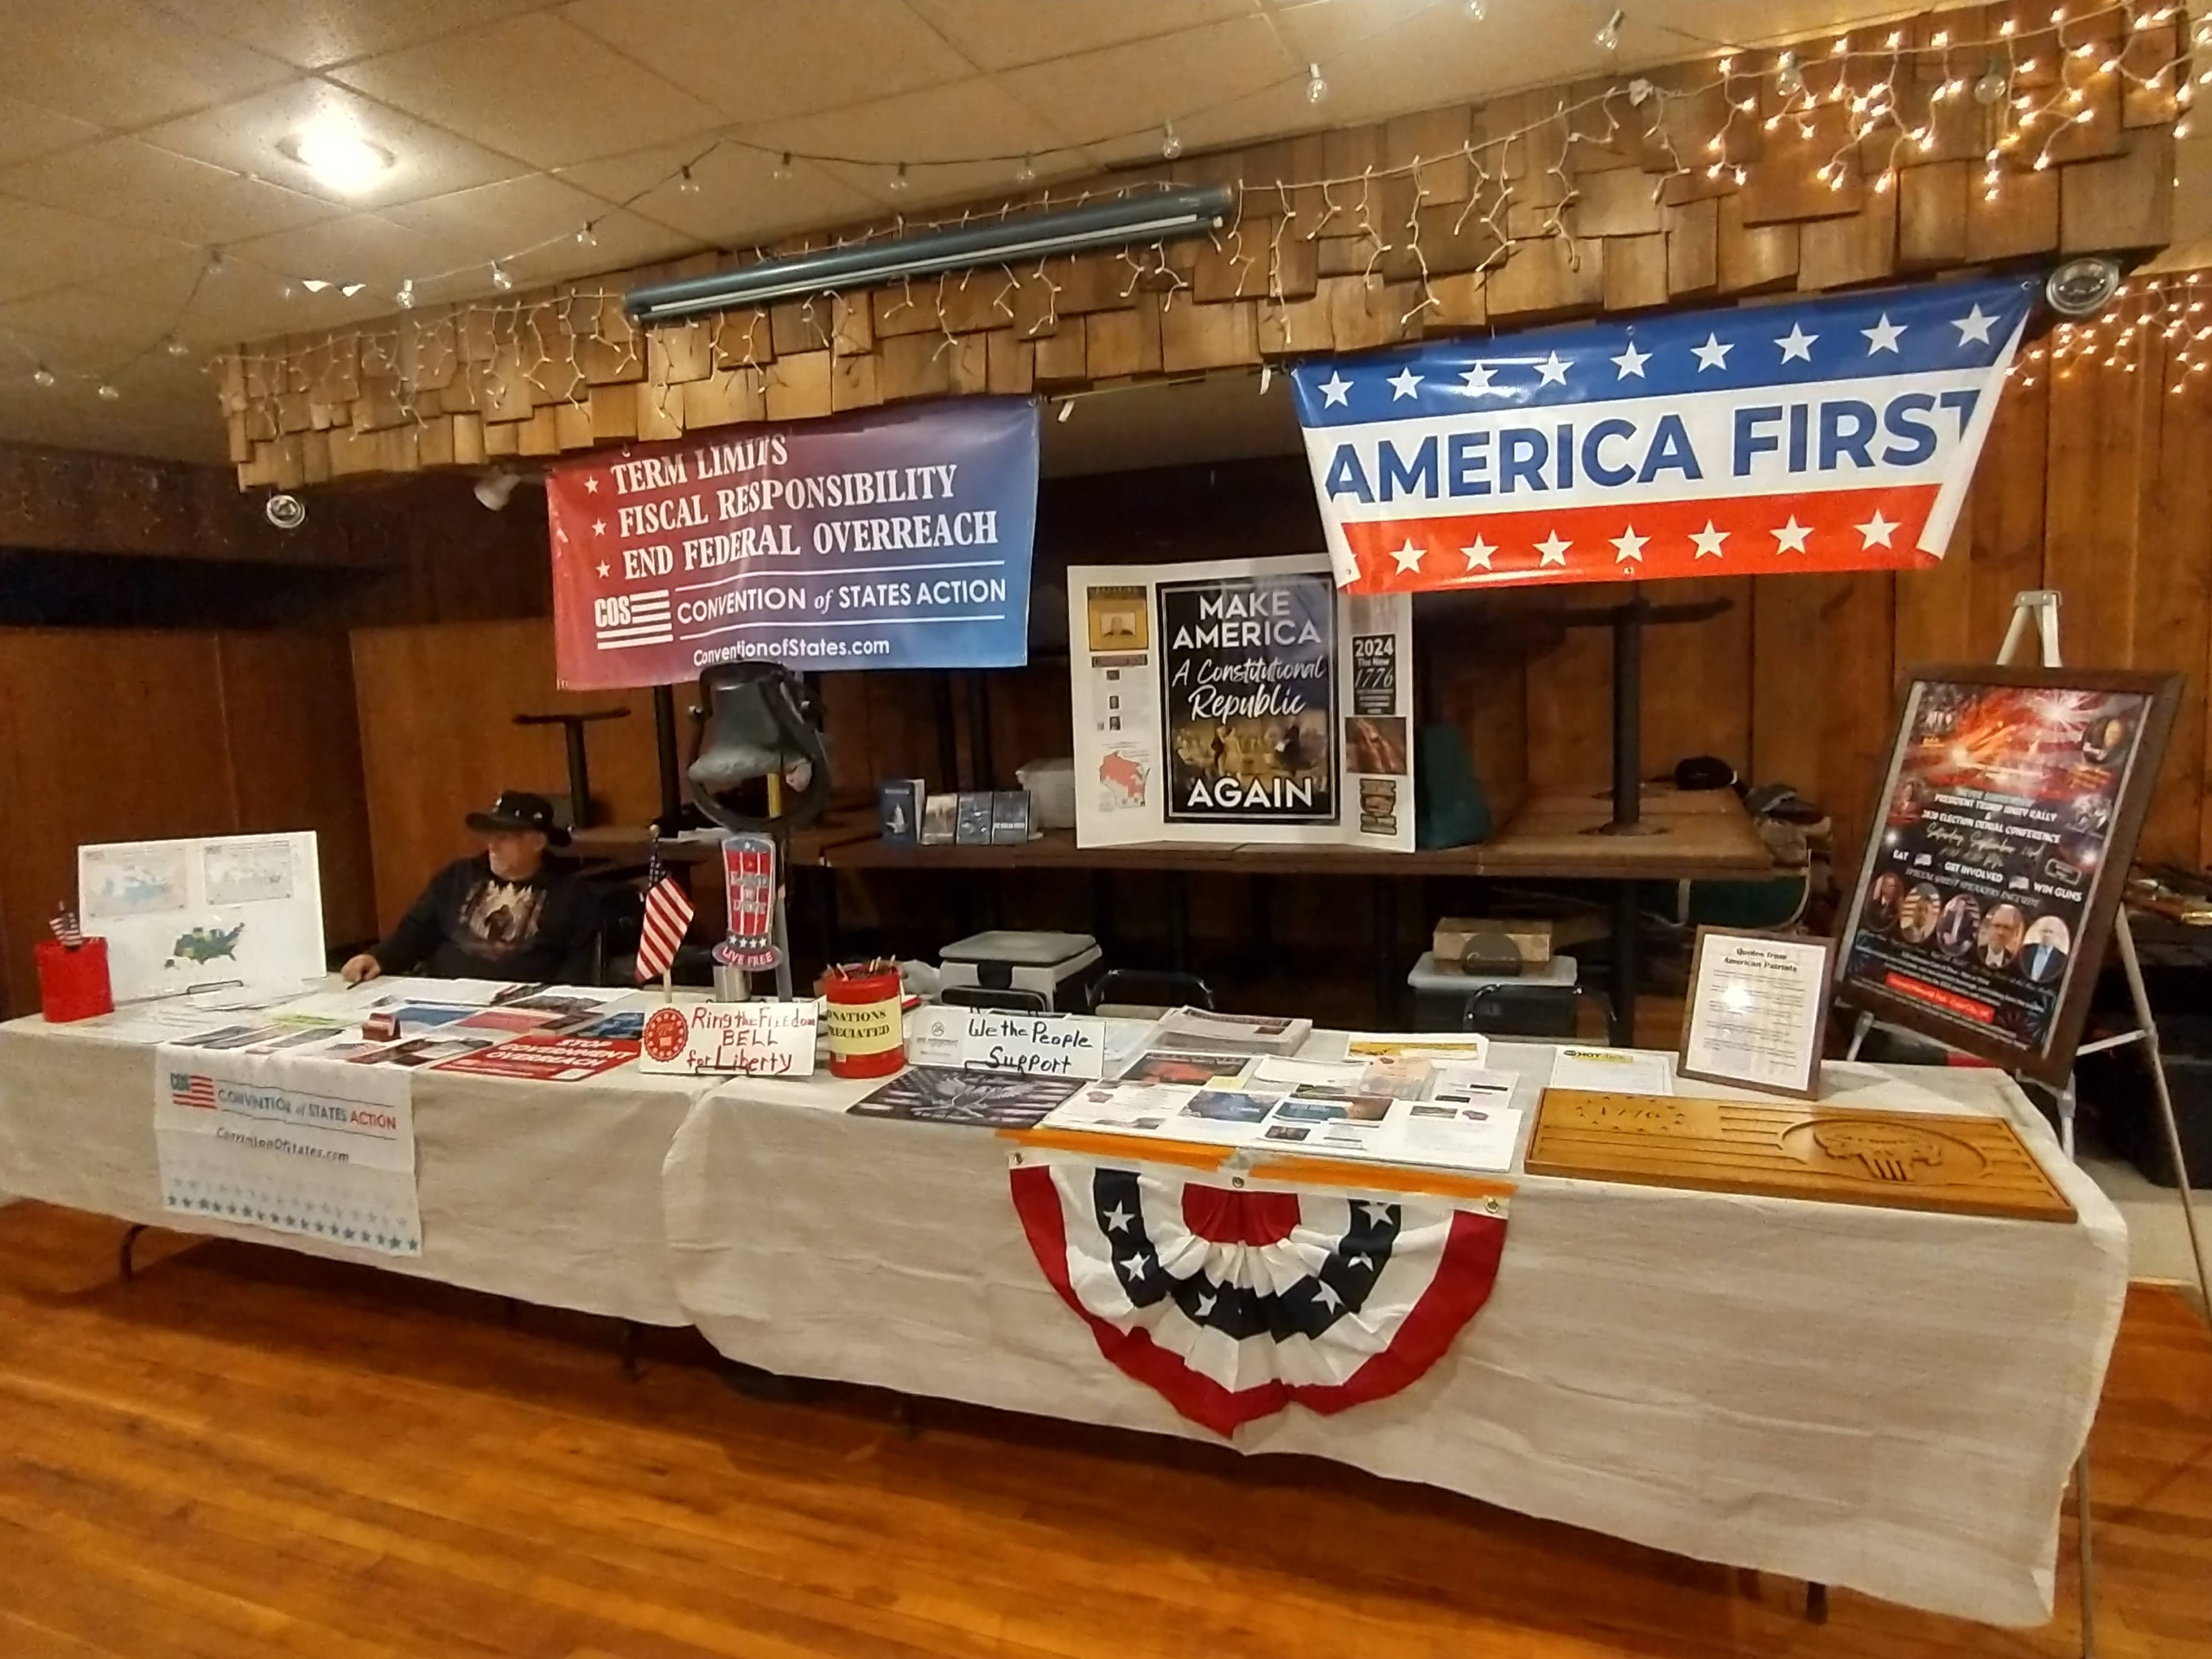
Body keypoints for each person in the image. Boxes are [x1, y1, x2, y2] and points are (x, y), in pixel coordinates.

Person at [340, 791, 603, 984]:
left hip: (527, 1011)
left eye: (504, 837)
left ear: (537, 842)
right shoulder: (458, 877)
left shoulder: (571, 894)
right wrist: (379, 958)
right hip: (445, 1002)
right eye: (490, 836)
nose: (492, 846)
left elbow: (578, 971)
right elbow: (416, 931)